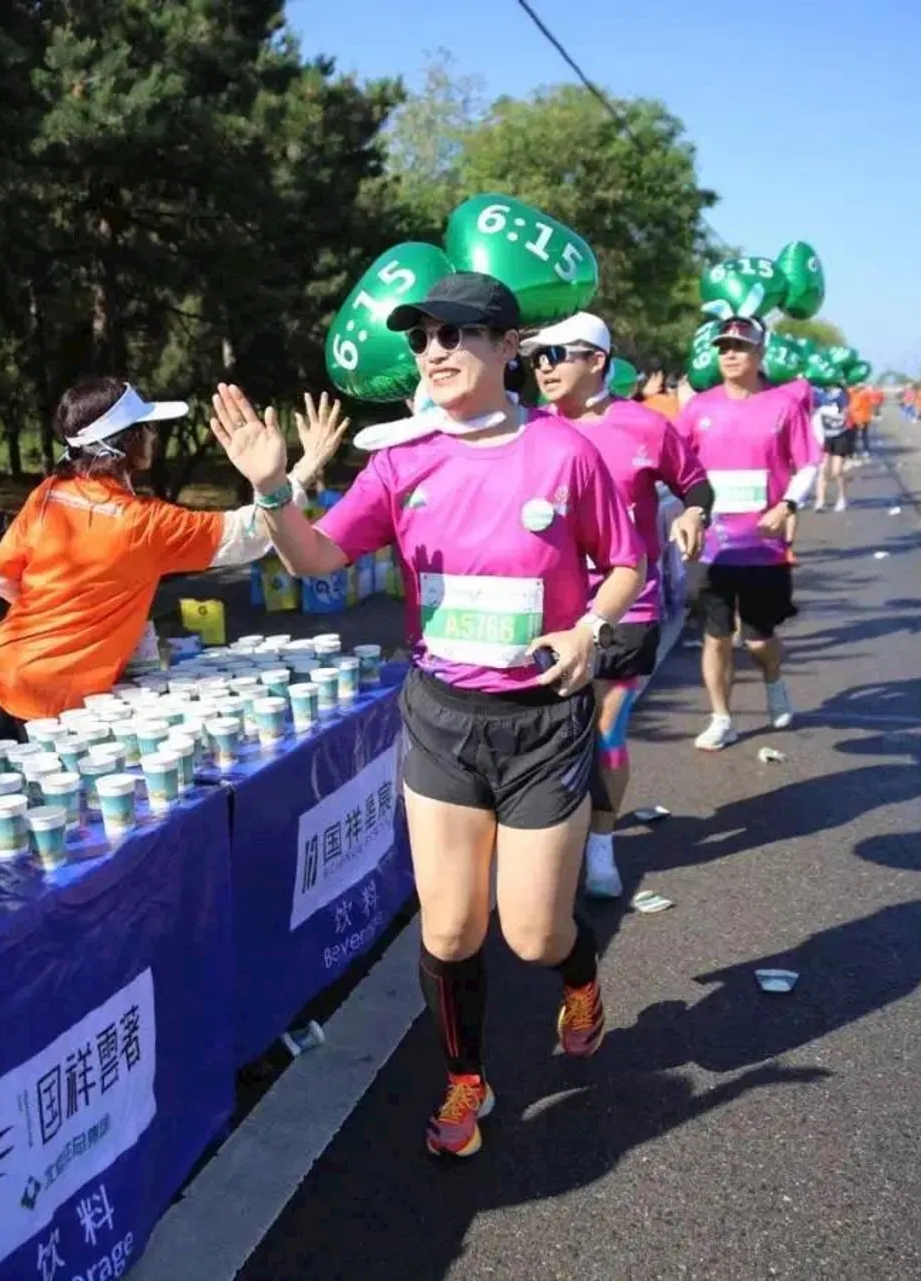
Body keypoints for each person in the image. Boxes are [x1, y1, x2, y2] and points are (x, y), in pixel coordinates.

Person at [206, 273, 645, 1159]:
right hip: (443, 717)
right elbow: (319, 560)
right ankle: (463, 1080)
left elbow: (627, 564)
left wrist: (589, 627)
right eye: (422, 338)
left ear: (509, 346)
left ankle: (581, 977)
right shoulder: (403, 461)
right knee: (449, 928)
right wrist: (272, 489)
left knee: (533, 930)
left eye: (459, 333)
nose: (437, 350)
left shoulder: (565, 453)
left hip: (540, 722)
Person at [0, 380, 347, 723]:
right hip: (56, 702)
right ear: (128, 442)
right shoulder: (143, 524)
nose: (154, 437)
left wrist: (59, 615)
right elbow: (248, 535)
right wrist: (302, 471)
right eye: (147, 428)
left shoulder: (47, 494)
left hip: (2, 673)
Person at [522, 313, 712, 900]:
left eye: (557, 354)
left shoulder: (645, 426)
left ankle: (601, 850)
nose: (544, 367)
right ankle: (547, 848)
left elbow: (696, 483)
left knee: (606, 732)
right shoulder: (526, 427)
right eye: (536, 357)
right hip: (543, 607)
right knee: (542, 734)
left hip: (627, 606)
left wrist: (691, 513)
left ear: (597, 360)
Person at [673, 316, 821, 752]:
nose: (730, 354)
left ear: (759, 354)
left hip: (763, 545)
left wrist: (787, 504)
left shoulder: (782, 406)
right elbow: (677, 466)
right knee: (715, 635)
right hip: (712, 547)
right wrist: (686, 512)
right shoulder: (699, 408)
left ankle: (773, 677)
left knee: (758, 638)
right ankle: (722, 717)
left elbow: (809, 463)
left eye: (740, 346)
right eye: (723, 347)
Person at [812, 382, 854, 511]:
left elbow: (847, 411)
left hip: (840, 435)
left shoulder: (840, 393)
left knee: (837, 471)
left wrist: (843, 411)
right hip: (824, 436)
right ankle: (820, 501)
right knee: (823, 470)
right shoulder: (818, 393)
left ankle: (842, 498)